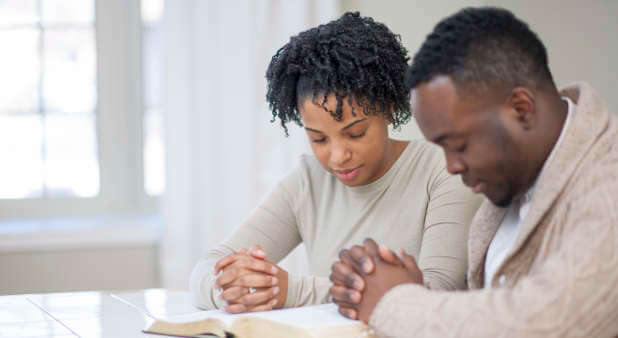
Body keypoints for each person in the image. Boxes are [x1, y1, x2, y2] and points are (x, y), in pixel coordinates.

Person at [329, 7, 618, 337]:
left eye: (460, 145)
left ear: (521, 109)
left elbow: (543, 324)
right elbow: (492, 306)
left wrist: (395, 302)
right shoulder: (512, 186)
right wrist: (401, 288)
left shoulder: (609, 185)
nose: (451, 166)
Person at [189, 12, 481, 314]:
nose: (338, 157)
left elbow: (437, 291)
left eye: (355, 133)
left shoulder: (443, 171)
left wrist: (292, 291)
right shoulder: (309, 181)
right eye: (319, 139)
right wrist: (230, 289)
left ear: (389, 109)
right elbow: (206, 267)